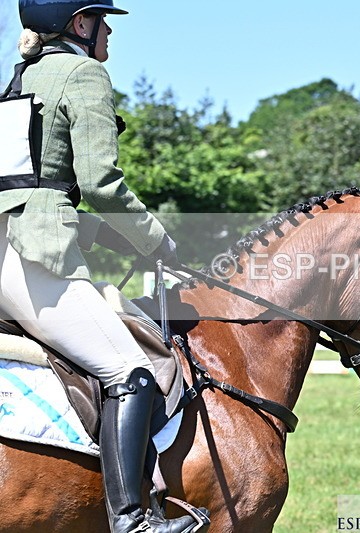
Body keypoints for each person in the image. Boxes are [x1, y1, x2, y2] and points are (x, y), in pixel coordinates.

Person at [2, 2, 202, 532]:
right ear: (79, 24)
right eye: (100, 17)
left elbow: (31, 194)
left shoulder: (21, 79)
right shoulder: (85, 73)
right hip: (28, 261)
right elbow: (101, 185)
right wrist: (158, 241)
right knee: (130, 373)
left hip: (9, 248)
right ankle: (131, 518)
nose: (109, 28)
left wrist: (108, 237)